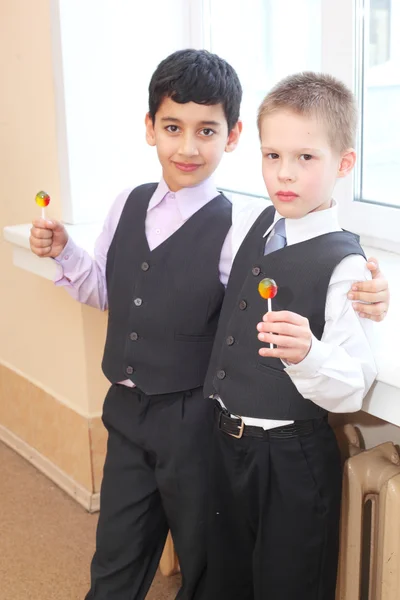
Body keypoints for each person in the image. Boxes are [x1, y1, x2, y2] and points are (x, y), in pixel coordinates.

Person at [29, 52, 388, 599]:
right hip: (170, 426)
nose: (188, 147)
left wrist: (373, 295)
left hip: (231, 433)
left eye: (207, 131)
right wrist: (67, 254)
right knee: (168, 564)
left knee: (243, 572)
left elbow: (318, 269)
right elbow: (112, 285)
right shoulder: (182, 212)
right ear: (149, 128)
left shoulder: (269, 235)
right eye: (172, 127)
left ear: (232, 135)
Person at [204, 72, 382, 600]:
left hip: (289, 458)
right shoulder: (260, 221)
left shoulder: (346, 264)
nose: (284, 174)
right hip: (226, 444)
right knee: (229, 576)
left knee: (289, 584)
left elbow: (353, 384)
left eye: (306, 158)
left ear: (343, 165)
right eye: (271, 155)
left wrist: (308, 353)